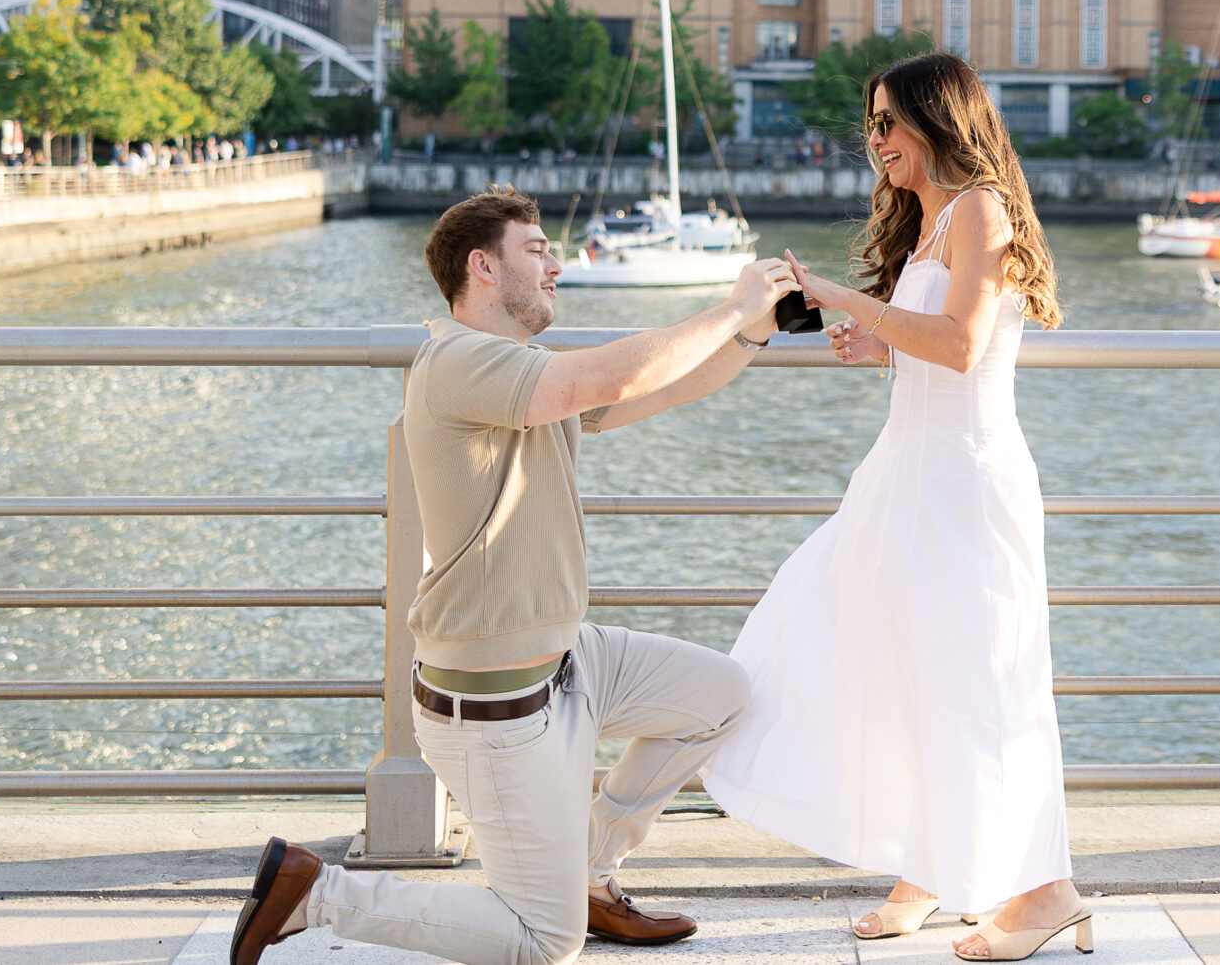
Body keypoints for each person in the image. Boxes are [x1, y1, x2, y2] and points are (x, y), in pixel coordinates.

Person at [229, 189, 799, 965]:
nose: (557, 263)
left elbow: (662, 385)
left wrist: (754, 334)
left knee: (720, 696)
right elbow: (612, 375)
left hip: (569, 660)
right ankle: (317, 891)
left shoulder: (522, 368)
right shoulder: (459, 360)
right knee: (542, 943)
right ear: (482, 265)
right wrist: (731, 307)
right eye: (536, 249)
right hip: (494, 707)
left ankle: (591, 873)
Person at [706, 52, 1086, 963]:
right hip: (904, 475)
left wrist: (848, 300)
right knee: (887, 659)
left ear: (937, 120)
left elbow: (962, 347)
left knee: (981, 681)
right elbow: (935, 343)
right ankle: (931, 864)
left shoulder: (982, 209)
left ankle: (1048, 891)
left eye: (888, 123)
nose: (874, 141)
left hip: (964, 480)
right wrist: (875, 343)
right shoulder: (927, 221)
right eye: (868, 125)